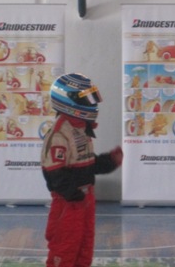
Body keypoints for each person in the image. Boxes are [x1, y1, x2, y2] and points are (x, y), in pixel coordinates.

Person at [41, 73, 123, 267]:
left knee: (84, 248)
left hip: (85, 200)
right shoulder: (60, 133)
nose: (92, 104)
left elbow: (87, 164)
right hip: (68, 203)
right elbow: (54, 174)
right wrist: (75, 196)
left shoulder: (80, 129)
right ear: (68, 101)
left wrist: (110, 161)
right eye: (87, 99)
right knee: (65, 249)